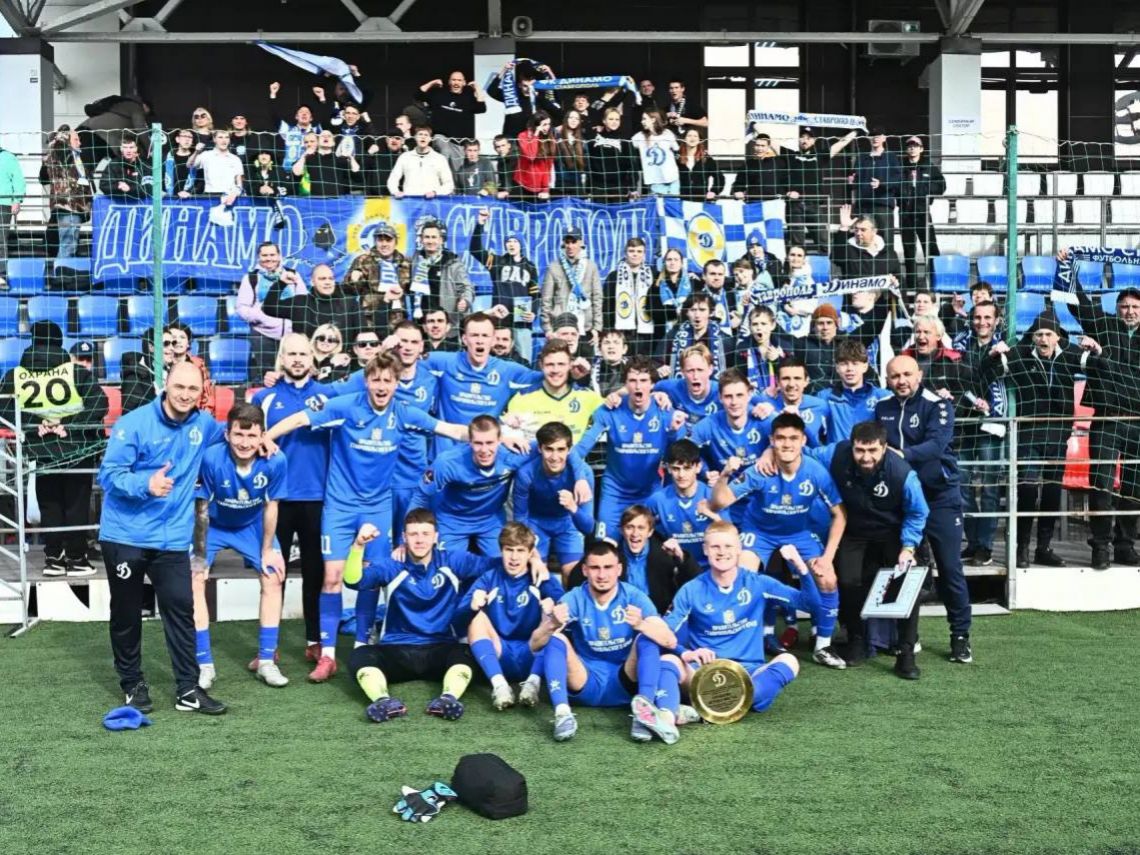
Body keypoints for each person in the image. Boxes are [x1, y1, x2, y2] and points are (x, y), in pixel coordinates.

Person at [262, 351, 472, 682]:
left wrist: (502, 435)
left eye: (388, 380)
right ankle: (328, 655)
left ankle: (362, 645)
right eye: (375, 379)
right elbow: (300, 419)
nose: (381, 386)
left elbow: (452, 430)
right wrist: (266, 437)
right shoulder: (347, 406)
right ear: (367, 381)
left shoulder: (403, 412)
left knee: (371, 578)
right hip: (340, 507)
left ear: (396, 383)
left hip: (376, 509)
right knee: (332, 577)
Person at [97, 362, 228, 715]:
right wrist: (146, 484)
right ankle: (132, 684)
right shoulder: (133, 424)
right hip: (126, 536)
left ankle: (188, 688)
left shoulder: (203, 424)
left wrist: (263, 440)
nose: (185, 394)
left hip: (171, 540)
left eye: (193, 389)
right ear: (165, 384)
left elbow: (233, 434)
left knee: (181, 609)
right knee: (127, 612)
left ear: (202, 391)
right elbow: (108, 476)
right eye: (179, 386)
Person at [710, 412, 845, 668]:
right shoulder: (761, 470)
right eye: (781, 438)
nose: (787, 444)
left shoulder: (816, 472)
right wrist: (725, 475)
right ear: (771, 440)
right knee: (740, 577)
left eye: (793, 438)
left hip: (798, 533)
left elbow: (839, 515)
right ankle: (740, 644)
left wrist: (828, 557)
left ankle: (823, 646)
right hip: (759, 531)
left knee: (828, 578)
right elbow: (719, 502)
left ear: (803, 440)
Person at [664, 521, 835, 720]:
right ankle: (669, 715)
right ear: (705, 550)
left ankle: (710, 706)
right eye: (715, 546)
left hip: (748, 672)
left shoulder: (758, 583)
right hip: (703, 672)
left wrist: (801, 567)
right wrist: (686, 653)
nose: (722, 552)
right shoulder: (691, 590)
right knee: (668, 661)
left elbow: (810, 605)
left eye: (728, 546)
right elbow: (664, 632)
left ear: (739, 549)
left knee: (789, 661)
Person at [343, 512, 490, 723]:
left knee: (468, 653)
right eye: (413, 534)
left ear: (436, 536)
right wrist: (358, 546)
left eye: (425, 534)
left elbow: (494, 565)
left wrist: (533, 559)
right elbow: (353, 581)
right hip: (397, 650)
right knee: (360, 656)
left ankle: (448, 699)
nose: (419, 540)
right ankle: (383, 701)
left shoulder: (452, 560)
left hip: (440, 649)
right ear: (404, 537)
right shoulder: (392, 565)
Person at [529, 540, 681, 743]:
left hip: (625, 681)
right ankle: (562, 714)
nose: (602, 575)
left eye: (608, 567)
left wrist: (641, 625)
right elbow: (534, 645)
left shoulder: (634, 596)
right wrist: (552, 624)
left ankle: (643, 714)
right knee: (555, 637)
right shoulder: (574, 598)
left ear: (619, 569)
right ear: (585, 570)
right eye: (595, 568)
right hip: (586, 681)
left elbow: (670, 641)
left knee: (648, 637)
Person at [876, 355, 974, 662]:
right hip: (902, 500)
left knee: (949, 567)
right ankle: (906, 637)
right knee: (902, 567)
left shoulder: (938, 404)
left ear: (919, 375)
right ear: (887, 379)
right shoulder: (882, 408)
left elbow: (936, 445)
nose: (901, 380)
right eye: (895, 376)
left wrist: (898, 455)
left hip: (939, 497)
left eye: (907, 374)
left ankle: (960, 636)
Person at [815, 421, 929, 678]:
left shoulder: (903, 474)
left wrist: (908, 547)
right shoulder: (837, 453)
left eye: (872, 450)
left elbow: (917, 512)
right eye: (859, 450)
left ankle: (906, 653)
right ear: (852, 447)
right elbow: (805, 453)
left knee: (905, 584)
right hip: (855, 531)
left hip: (893, 533)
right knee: (847, 581)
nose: (865, 457)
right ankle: (857, 640)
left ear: (884, 448)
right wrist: (769, 453)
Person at [191, 404, 289, 690]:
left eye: (252, 436)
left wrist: (267, 549)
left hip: (251, 525)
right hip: (214, 524)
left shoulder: (276, 460)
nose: (244, 443)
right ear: (227, 434)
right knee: (194, 578)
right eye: (238, 435)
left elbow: (272, 507)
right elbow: (201, 506)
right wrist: (200, 555)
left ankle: (266, 661)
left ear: (262, 436)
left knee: (273, 576)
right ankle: (203, 664)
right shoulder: (212, 458)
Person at [251, 334, 336, 664]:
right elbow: (250, 441)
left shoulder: (329, 395)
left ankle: (314, 641)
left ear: (313, 359)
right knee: (274, 572)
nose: (298, 359)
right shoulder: (265, 397)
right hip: (277, 499)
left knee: (315, 573)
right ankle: (268, 647)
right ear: (282, 358)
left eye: (303, 354)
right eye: (292, 354)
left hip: (318, 497)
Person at [1, 321, 107, 576]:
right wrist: (67, 425)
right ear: (60, 342)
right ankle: (77, 559)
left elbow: (4, 409)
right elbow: (99, 404)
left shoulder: (15, 375)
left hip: (41, 450)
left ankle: (54, 559)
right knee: (76, 505)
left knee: (49, 505)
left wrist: (34, 425)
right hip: (76, 448)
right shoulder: (76, 373)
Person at [980, 312, 1085, 568]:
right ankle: (1022, 548)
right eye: (1039, 334)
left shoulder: (1070, 354)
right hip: (1028, 434)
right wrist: (992, 355)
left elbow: (1100, 367)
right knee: (1026, 489)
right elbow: (984, 373)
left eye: (1048, 334)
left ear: (1057, 337)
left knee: (1052, 491)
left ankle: (1044, 548)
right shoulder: (1020, 355)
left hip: (1058, 434)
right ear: (1033, 336)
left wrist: (1097, 350)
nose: (1043, 339)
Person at [1061, 246, 1140, 569]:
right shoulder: (1104, 326)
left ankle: (1125, 545)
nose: (1129, 311)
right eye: (1124, 306)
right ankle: (1101, 547)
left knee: (1134, 487)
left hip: (1138, 421)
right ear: (1117, 308)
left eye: (1135, 307)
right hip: (1107, 419)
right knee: (1101, 483)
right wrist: (1067, 266)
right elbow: (1077, 303)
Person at [411, 414, 584, 556]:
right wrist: (407, 538)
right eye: (478, 443)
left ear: (500, 440)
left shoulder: (514, 454)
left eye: (490, 443)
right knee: (448, 569)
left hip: (491, 520)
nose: (484, 450)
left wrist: (581, 479)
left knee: (506, 564)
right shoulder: (448, 462)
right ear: (469, 442)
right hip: (453, 520)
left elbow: (563, 447)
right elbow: (420, 496)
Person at [576, 356, 686, 541]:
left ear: (652, 384)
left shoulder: (665, 411)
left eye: (643, 380)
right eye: (632, 380)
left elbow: (682, 454)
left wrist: (673, 432)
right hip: (614, 493)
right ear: (625, 384)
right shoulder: (610, 410)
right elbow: (579, 450)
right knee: (605, 546)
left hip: (650, 493)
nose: (638, 386)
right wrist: (580, 477)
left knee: (652, 546)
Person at [459, 522, 565, 710]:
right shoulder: (489, 578)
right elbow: (456, 621)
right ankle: (500, 687)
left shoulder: (541, 578)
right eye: (509, 550)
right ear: (501, 551)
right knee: (476, 617)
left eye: (520, 551)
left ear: (530, 553)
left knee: (554, 615)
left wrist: (554, 608)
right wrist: (472, 606)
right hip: (498, 654)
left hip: (532, 652)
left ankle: (533, 684)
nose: (514, 557)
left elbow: (568, 612)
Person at [415, 312, 543, 439]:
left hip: (486, 446)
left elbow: (549, 376)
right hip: (447, 447)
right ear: (464, 339)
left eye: (485, 336)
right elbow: (410, 358)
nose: (480, 341)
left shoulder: (508, 370)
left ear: (493, 340)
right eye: (474, 335)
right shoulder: (444, 362)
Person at [952, 301, 1006, 566]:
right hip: (963, 422)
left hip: (991, 423)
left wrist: (987, 403)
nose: (982, 322)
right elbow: (959, 379)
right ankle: (972, 542)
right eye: (977, 317)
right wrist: (973, 399)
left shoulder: (1005, 346)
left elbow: (999, 378)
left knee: (989, 489)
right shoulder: (960, 345)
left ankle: (985, 545)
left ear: (996, 320)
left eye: (987, 317)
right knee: (961, 485)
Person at [513, 422, 596, 579]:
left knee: (573, 575)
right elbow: (520, 518)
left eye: (561, 449)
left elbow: (588, 527)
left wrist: (573, 507)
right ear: (540, 448)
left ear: (569, 450)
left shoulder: (583, 475)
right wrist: (532, 553)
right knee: (535, 574)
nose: (554, 457)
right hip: (536, 523)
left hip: (567, 523)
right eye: (549, 449)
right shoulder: (526, 474)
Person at [471, 208, 539, 361]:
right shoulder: (497, 261)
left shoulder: (530, 266)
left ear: (521, 244)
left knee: (524, 360)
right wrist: (480, 224)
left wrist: (534, 312)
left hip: (521, 319)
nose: (511, 244)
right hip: (500, 319)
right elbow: (475, 250)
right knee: (498, 358)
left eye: (515, 241)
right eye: (508, 241)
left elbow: (535, 294)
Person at [644, 439, 719, 573]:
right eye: (676, 469)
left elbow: (729, 532)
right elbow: (641, 523)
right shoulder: (658, 499)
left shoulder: (712, 496)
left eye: (687, 468)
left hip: (710, 568)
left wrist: (711, 514)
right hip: (676, 568)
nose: (681, 475)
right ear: (668, 468)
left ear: (698, 467)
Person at [504, 339, 601, 442]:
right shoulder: (522, 399)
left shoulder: (588, 397)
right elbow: (510, 439)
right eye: (550, 364)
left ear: (570, 365)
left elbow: (610, 419)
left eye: (561, 364)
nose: (555, 370)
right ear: (541, 365)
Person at [236, 241, 306, 380]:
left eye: (272, 255)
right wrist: (260, 316)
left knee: (292, 374)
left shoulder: (293, 274)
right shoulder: (251, 278)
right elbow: (241, 307)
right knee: (268, 377)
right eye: (265, 255)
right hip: (263, 335)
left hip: (291, 335)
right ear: (259, 257)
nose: (269, 258)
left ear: (279, 256)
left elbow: (303, 300)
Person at [261, 262, 362, 344]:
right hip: (305, 360)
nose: (328, 282)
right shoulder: (300, 303)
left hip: (340, 360)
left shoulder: (350, 304)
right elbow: (269, 308)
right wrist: (281, 283)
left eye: (331, 278)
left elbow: (362, 334)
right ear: (313, 282)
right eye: (322, 279)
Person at [838, 127, 902, 252]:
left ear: (884, 138)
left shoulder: (891, 157)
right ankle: (864, 263)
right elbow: (855, 179)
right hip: (864, 205)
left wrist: (882, 184)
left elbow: (898, 179)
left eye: (878, 135)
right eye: (872, 135)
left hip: (882, 205)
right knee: (862, 238)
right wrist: (852, 182)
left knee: (886, 240)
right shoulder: (862, 158)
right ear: (868, 138)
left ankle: (888, 264)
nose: (875, 138)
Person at [603, 237, 666, 357]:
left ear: (644, 254)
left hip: (649, 334)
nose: (635, 254)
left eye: (639, 251)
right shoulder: (614, 277)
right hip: (622, 333)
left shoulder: (655, 276)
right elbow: (606, 307)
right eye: (631, 251)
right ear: (625, 253)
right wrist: (609, 332)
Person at [897, 135, 945, 290]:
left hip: (922, 212)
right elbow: (893, 185)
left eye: (915, 146)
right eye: (909, 146)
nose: (912, 148)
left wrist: (923, 190)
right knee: (909, 250)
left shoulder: (928, 166)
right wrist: (902, 194)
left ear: (921, 149)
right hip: (905, 213)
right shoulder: (900, 166)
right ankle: (911, 286)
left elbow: (941, 185)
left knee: (930, 247)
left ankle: (935, 283)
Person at [341, 220, 409, 331]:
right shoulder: (363, 260)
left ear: (395, 242)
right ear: (375, 241)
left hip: (398, 319)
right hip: (370, 318)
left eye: (388, 240)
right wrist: (353, 279)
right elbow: (348, 290)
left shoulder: (405, 262)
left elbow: (412, 289)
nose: (384, 244)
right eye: (380, 240)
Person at [821, 339, 892, 443]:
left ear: (865, 366)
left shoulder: (883, 397)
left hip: (868, 453)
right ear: (837, 367)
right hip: (837, 453)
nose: (850, 368)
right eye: (844, 364)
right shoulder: (824, 397)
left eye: (855, 363)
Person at [541, 227, 603, 344]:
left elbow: (597, 298)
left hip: (585, 328)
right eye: (567, 242)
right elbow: (546, 300)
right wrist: (548, 329)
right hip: (560, 328)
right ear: (563, 244)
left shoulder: (591, 267)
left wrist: (597, 328)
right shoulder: (553, 267)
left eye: (574, 242)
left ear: (581, 243)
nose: (570, 246)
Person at [752, 356, 830, 447]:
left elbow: (825, 445)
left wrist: (799, 422)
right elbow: (741, 402)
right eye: (786, 378)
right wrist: (754, 408)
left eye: (797, 378)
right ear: (777, 381)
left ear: (806, 381)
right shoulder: (764, 402)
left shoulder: (820, 406)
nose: (791, 384)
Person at [40, 126, 92, 261]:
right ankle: (62, 272)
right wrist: (62, 135)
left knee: (71, 245)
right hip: (67, 205)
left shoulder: (77, 158)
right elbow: (58, 146)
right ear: (67, 141)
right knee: (68, 245)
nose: (80, 142)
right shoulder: (61, 155)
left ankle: (65, 271)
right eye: (76, 139)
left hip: (78, 207)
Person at [654, 343, 721, 425]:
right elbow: (645, 390)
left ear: (710, 369)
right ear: (682, 371)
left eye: (700, 370)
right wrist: (656, 395)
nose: (695, 376)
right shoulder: (671, 387)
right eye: (690, 370)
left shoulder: (721, 392)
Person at [730, 305, 788, 392]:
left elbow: (789, 375)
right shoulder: (742, 349)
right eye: (755, 324)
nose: (759, 328)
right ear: (749, 326)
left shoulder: (784, 346)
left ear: (773, 325)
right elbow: (739, 377)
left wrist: (777, 360)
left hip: (779, 395)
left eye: (763, 324)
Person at [668, 293, 729, 376]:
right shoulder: (675, 335)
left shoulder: (724, 339)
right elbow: (657, 360)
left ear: (711, 312)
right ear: (686, 312)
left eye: (702, 310)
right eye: (693, 310)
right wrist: (661, 368)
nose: (697, 315)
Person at [587, 108, 640, 202]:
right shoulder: (594, 138)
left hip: (619, 187)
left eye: (617, 119)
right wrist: (588, 188)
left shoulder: (625, 139)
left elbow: (632, 165)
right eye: (611, 119)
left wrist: (633, 188)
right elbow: (589, 164)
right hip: (598, 187)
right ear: (604, 121)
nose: (614, 122)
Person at [416, 71, 487, 142]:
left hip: (460, 141)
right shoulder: (439, 95)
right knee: (441, 142)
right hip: (441, 138)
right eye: (453, 80)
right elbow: (418, 95)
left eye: (459, 80)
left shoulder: (468, 99)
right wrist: (432, 83)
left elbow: (482, 108)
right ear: (449, 82)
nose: (456, 83)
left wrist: (477, 88)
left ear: (464, 83)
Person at [387, 126, 454, 198]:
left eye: (426, 135)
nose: (423, 137)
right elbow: (393, 179)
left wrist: (435, 192)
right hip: (410, 201)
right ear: (415, 137)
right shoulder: (405, 157)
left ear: (430, 139)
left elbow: (449, 184)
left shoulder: (439, 159)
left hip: (432, 201)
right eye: (420, 134)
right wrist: (395, 192)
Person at [268, 81, 320, 169]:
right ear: (296, 116)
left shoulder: (317, 130)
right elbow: (274, 116)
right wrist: (273, 94)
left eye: (307, 112)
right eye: (301, 112)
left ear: (311, 118)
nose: (304, 114)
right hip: (290, 169)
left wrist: (322, 98)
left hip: (312, 169)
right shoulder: (287, 129)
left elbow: (327, 117)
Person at [631, 109, 680, 196]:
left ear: (653, 119)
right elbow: (628, 143)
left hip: (672, 178)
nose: (642, 122)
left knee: (673, 203)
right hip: (655, 181)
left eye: (644, 119)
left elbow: (676, 148)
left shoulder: (667, 133)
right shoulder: (640, 136)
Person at [514, 110, 556, 200]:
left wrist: (545, 189)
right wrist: (536, 134)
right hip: (522, 183)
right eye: (544, 125)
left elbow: (548, 167)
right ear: (536, 125)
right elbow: (531, 156)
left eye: (548, 124)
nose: (547, 127)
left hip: (539, 186)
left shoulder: (550, 139)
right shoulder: (523, 136)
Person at [554, 109, 591, 197]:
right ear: (566, 119)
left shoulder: (582, 141)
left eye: (576, 118)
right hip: (560, 184)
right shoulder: (556, 137)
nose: (574, 120)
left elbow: (586, 164)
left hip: (577, 185)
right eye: (571, 117)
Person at [677, 129, 721, 201]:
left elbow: (720, 178)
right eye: (689, 136)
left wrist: (713, 191)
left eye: (695, 136)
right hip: (681, 200)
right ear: (684, 139)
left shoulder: (707, 159)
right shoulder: (677, 159)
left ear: (700, 140)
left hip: (701, 200)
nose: (692, 138)